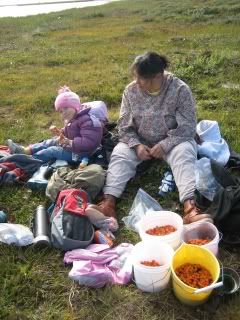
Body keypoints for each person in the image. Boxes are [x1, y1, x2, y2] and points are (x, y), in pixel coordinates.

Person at [90, 51, 213, 225]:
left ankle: (190, 207)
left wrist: (165, 144)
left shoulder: (179, 90)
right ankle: (108, 203)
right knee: (120, 153)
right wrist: (137, 145)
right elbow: (124, 126)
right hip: (141, 141)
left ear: (157, 76)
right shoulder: (130, 91)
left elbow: (187, 126)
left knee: (185, 152)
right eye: (137, 77)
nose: (137, 83)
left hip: (173, 140)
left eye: (142, 79)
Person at [7, 86, 107, 164]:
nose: (63, 113)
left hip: (81, 154)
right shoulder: (73, 117)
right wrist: (61, 132)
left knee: (52, 151)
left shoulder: (89, 121)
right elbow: (71, 131)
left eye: (66, 108)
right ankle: (25, 151)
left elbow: (89, 143)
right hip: (71, 146)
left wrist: (70, 142)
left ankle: (29, 160)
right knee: (49, 142)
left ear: (76, 106)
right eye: (61, 111)